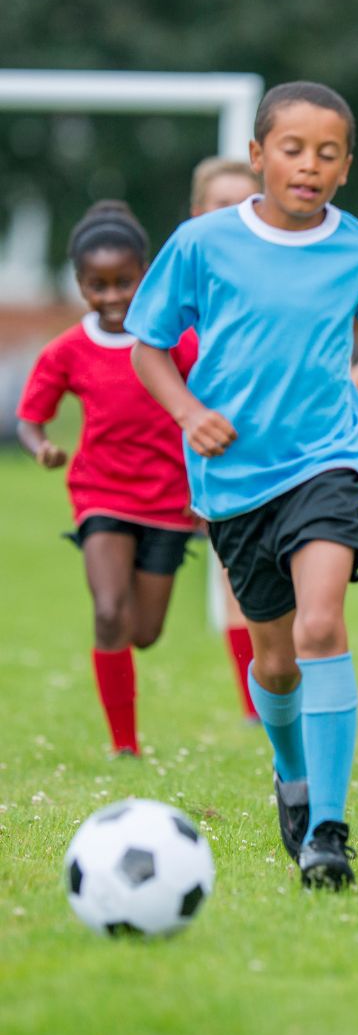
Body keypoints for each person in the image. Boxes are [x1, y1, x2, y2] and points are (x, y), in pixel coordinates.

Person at [127, 81, 358, 891]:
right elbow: (147, 346)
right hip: (233, 477)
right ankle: (291, 775)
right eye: (292, 149)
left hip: (329, 458)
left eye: (327, 153)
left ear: (346, 166)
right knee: (276, 661)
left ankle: (328, 827)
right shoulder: (201, 243)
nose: (309, 165)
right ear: (259, 156)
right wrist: (190, 411)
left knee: (322, 623)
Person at [16, 201, 195, 757]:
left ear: (146, 276)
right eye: (98, 285)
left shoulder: (176, 340)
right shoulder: (68, 349)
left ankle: (126, 716)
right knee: (109, 611)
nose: (113, 296)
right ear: (79, 284)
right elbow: (30, 416)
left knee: (143, 631)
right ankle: (125, 747)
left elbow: (212, 399)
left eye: (125, 282)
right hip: (102, 494)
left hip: (170, 502)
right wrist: (42, 445)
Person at [188, 157, 263, 724]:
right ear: (198, 212)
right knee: (234, 573)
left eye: (245, 202)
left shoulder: (278, 284)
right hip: (196, 453)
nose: (233, 216)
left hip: (272, 451)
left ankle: (278, 694)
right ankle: (253, 705)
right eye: (221, 204)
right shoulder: (180, 289)